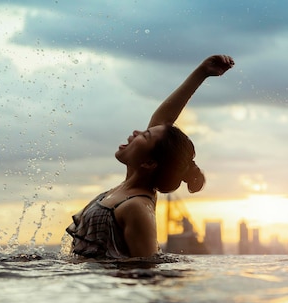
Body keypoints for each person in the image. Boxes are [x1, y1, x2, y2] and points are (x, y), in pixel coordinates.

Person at [66, 54, 235, 259]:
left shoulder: (136, 207)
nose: (137, 132)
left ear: (149, 163)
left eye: (145, 136)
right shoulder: (127, 189)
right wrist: (201, 73)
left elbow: (147, 273)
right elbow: (164, 119)